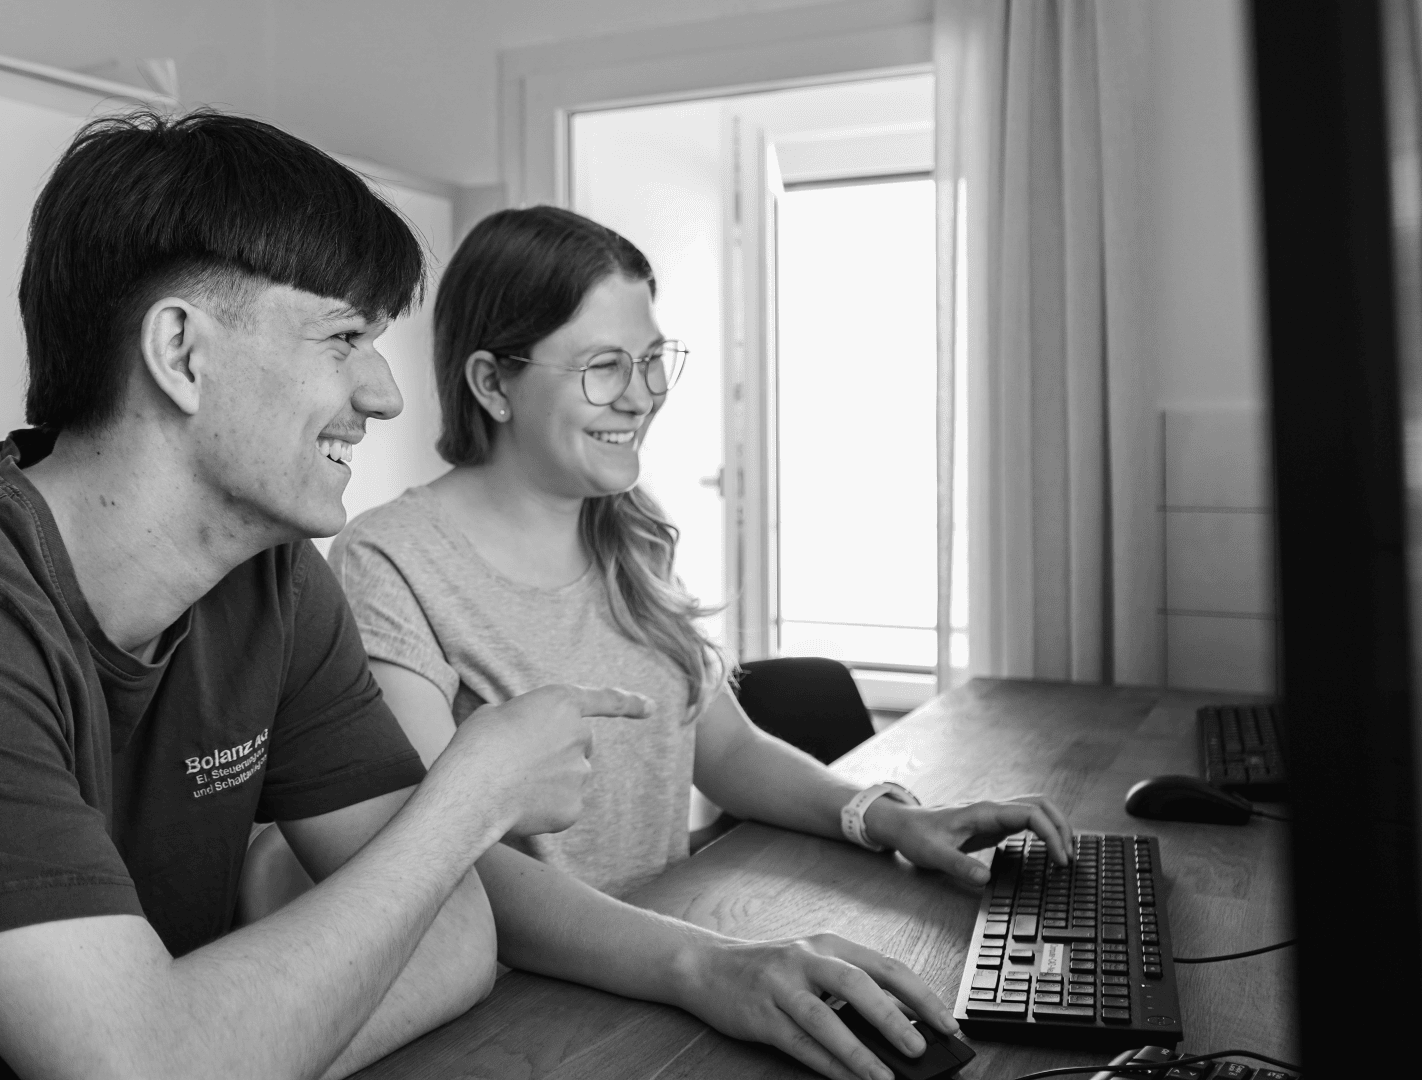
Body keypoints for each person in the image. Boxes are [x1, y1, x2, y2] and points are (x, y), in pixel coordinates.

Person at [0, 112, 655, 1080]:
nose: (379, 393)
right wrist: (473, 796)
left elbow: (454, 935)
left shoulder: (273, 580)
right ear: (180, 352)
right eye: (344, 338)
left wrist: (245, 1045)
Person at [329, 206, 1076, 1080]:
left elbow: (723, 748)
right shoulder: (388, 560)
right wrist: (705, 964)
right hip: (523, 1017)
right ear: (493, 384)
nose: (641, 394)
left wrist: (887, 818)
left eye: (650, 361)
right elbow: (445, 859)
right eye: (605, 367)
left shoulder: (630, 535)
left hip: (667, 967)